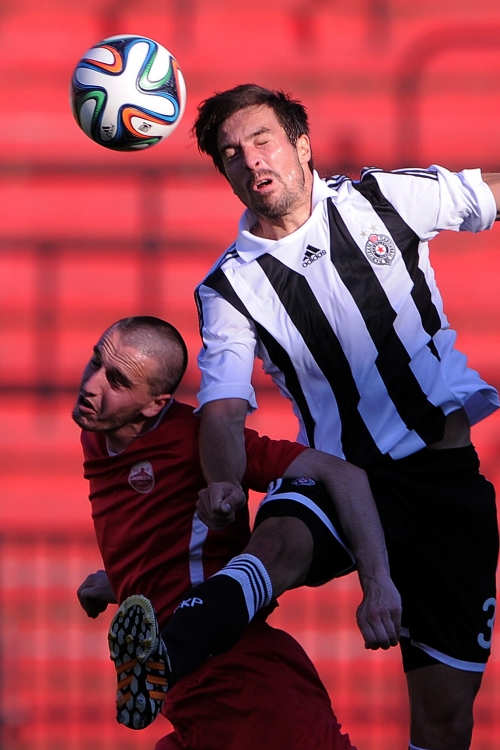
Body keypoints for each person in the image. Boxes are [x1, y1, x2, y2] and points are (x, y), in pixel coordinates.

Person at [192, 84, 500, 750]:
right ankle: (180, 639)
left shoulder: (383, 200)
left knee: (445, 722)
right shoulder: (229, 287)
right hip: (338, 475)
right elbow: (222, 405)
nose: (250, 159)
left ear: (302, 145)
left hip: (443, 482)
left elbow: (487, 193)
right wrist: (221, 480)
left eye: (263, 140)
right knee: (275, 545)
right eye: (232, 153)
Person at [74, 315, 401, 750]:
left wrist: (377, 584)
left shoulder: (198, 439)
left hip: (241, 676)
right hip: (182, 686)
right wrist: (122, 580)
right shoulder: (98, 436)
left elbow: (345, 475)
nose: (92, 384)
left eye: (117, 381)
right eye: (96, 361)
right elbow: (175, 544)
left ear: (155, 404)